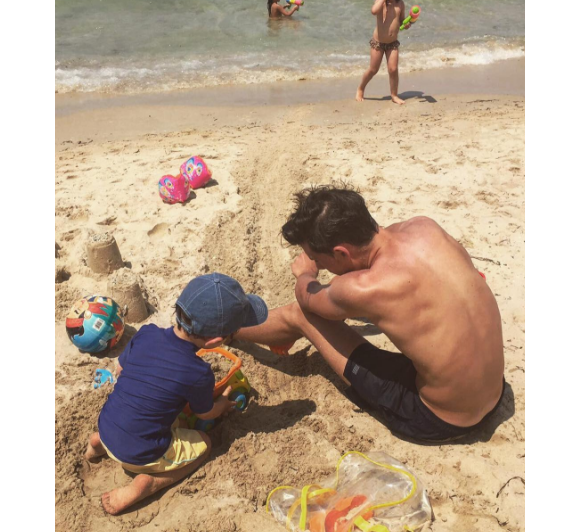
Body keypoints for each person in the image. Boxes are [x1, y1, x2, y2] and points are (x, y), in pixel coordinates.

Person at [236, 186, 505, 443]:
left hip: (439, 417)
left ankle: (221, 328)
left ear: (340, 252)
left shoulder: (362, 288)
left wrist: (306, 274)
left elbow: (307, 299)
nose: (317, 264)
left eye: (317, 258)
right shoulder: (425, 227)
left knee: (302, 316)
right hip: (493, 391)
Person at [84, 273, 268, 514]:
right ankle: (149, 483)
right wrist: (222, 405)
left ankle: (96, 445)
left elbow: (121, 369)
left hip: (106, 426)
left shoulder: (146, 333)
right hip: (140, 454)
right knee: (204, 445)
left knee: (145, 412)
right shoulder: (198, 372)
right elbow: (204, 414)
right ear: (214, 342)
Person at [356, 0, 412, 104]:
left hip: (392, 43)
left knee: (393, 69)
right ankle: (361, 88)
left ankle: (394, 95)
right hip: (378, 43)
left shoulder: (400, 4)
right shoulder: (380, 3)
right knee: (373, 69)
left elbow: (401, 21)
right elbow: (373, 11)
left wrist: (406, 24)